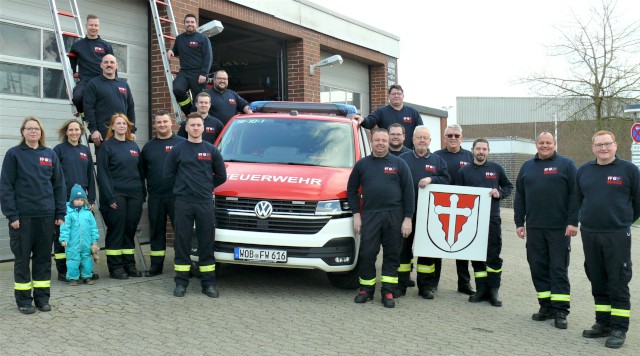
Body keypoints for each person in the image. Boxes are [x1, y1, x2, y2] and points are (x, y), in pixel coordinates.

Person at [577, 130, 639, 349]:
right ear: (593, 147)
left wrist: (622, 222)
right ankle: (602, 323)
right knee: (597, 278)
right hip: (590, 233)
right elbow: (578, 199)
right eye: (599, 145)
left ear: (615, 145)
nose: (603, 148)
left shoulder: (629, 170)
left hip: (617, 235)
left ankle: (619, 328)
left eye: (607, 144)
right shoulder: (584, 171)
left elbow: (638, 202)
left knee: (618, 281)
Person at [0, 117, 66, 314]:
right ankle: (23, 301)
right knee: (22, 260)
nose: (33, 132)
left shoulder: (49, 154)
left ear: (41, 132)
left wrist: (60, 212)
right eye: (29, 129)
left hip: (46, 216)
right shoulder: (14, 154)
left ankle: (42, 298)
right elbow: (6, 187)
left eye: (36, 129)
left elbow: (59, 185)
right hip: (23, 218)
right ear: (23, 132)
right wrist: (12, 215)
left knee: (43, 259)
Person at [514, 132, 578, 329]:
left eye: (548, 142)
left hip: (559, 229)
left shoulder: (567, 165)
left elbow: (575, 195)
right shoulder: (527, 167)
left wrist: (573, 222)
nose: (544, 145)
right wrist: (519, 222)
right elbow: (520, 196)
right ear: (536, 144)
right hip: (534, 228)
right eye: (541, 142)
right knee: (538, 267)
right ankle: (546, 307)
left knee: (558, 269)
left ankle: (560, 311)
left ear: (555, 144)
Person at [347, 128, 414, 308]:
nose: (381, 143)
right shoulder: (362, 165)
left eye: (384, 140)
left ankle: (388, 291)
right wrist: (356, 215)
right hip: (370, 215)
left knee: (392, 254)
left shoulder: (399, 164)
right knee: (367, 253)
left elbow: (409, 193)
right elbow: (351, 191)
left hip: (395, 215)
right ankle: (366, 290)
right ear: (371, 141)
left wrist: (408, 219)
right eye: (377, 140)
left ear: (388, 142)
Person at [164, 112, 227, 298]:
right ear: (186, 127)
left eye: (198, 125)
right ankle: (181, 282)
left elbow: (222, 176)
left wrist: (207, 188)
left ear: (203, 127)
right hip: (183, 202)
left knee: (206, 242)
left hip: (205, 202)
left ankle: (208, 284)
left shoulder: (211, 150)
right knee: (182, 242)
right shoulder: (178, 149)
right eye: (192, 125)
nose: (195, 128)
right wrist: (181, 189)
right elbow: (168, 175)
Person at [457, 138, 512, 307]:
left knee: (493, 255)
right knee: (476, 255)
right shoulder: (464, 171)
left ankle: (493, 291)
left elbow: (508, 187)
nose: (481, 152)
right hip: (471, 220)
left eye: (484, 149)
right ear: (472, 150)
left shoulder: (496, 169)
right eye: (478, 149)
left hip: (492, 219)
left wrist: (499, 193)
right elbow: (457, 195)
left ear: (488, 151)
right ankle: (481, 290)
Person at [397, 126, 450, 299]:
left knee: (427, 253)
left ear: (429, 141)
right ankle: (401, 285)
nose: (422, 140)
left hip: (429, 215)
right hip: (406, 214)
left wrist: (431, 179)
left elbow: (447, 180)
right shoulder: (403, 159)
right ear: (412, 139)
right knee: (403, 252)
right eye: (419, 137)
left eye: (425, 138)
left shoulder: (437, 160)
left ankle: (425, 287)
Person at [96, 113, 145, 279]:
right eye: (118, 123)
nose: (122, 126)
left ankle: (129, 265)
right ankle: (115, 268)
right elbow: (102, 173)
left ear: (128, 126)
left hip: (134, 194)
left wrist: (142, 193)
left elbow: (140, 171)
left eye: (124, 123)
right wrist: (109, 197)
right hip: (116, 195)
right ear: (112, 127)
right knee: (117, 230)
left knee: (130, 230)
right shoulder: (107, 147)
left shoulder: (133, 146)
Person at [141, 110, 186, 276]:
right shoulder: (148, 147)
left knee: (181, 232)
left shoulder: (182, 144)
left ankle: (183, 265)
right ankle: (156, 266)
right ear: (155, 124)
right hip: (156, 197)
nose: (162, 125)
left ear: (171, 122)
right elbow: (143, 171)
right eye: (159, 122)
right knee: (156, 231)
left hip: (178, 197)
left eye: (165, 122)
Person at [53, 119, 97, 282]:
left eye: (77, 130)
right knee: (64, 235)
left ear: (81, 131)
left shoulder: (85, 150)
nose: (74, 133)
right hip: (64, 201)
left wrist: (91, 198)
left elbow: (90, 177)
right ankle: (63, 270)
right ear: (66, 132)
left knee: (82, 235)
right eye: (71, 130)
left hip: (82, 202)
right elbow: (54, 177)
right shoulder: (59, 150)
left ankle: (82, 270)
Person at [433, 124, 475, 295]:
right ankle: (432, 282)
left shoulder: (470, 156)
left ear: (462, 138)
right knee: (435, 247)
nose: (453, 138)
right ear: (444, 137)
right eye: (449, 135)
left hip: (463, 209)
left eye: (456, 135)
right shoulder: (436, 156)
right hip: (439, 208)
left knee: (462, 246)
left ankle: (464, 283)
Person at [84, 54, 136, 151]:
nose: (109, 65)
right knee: (105, 163)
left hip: (123, 132)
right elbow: (88, 108)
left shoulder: (124, 85)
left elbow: (131, 108)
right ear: (101, 65)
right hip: (103, 133)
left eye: (112, 62)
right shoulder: (93, 84)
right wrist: (93, 130)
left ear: (116, 65)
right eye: (106, 62)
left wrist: (132, 131)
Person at [67, 14, 114, 117]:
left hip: (102, 80)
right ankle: (84, 115)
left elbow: (113, 66)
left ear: (99, 27)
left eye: (96, 25)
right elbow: (72, 64)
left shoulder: (106, 46)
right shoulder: (77, 46)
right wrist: (71, 75)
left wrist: (114, 83)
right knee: (77, 97)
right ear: (86, 26)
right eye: (91, 25)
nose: (93, 28)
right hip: (85, 82)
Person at [167, 14, 213, 116]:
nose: (190, 24)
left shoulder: (203, 38)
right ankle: (189, 112)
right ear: (184, 24)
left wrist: (204, 74)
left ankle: (197, 118)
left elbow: (208, 57)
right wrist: (171, 50)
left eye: (192, 22)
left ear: (196, 24)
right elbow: (176, 50)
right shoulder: (179, 38)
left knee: (199, 98)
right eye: (187, 22)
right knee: (177, 89)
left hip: (198, 73)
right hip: (184, 72)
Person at [353, 84, 423, 149]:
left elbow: (420, 131)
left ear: (403, 96)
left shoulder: (413, 112)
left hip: (408, 154)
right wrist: (363, 119)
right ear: (389, 96)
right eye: (393, 94)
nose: (396, 96)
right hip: (386, 154)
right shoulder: (381, 111)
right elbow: (370, 122)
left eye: (399, 93)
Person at [59, 184, 100, 286]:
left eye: (81, 200)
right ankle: (73, 278)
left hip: (86, 243)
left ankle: (87, 277)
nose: (79, 202)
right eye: (77, 199)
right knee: (73, 260)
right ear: (72, 200)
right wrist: (64, 239)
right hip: (73, 244)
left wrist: (94, 240)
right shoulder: (68, 214)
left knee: (86, 260)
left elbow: (93, 228)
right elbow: (65, 228)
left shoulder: (88, 213)